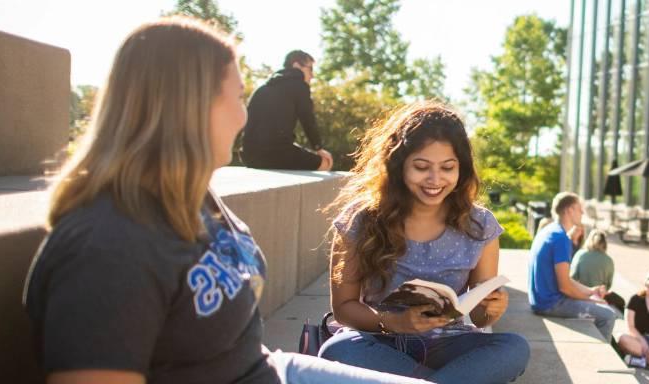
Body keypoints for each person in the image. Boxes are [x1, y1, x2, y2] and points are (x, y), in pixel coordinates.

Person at [24, 17, 422, 384]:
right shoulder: (109, 247)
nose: (245, 116)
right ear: (191, 107)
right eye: (238, 97)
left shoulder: (192, 197)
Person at [317, 102, 529, 384]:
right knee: (335, 350)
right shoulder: (361, 219)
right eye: (421, 167)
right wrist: (393, 323)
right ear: (397, 165)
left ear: (461, 169)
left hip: (449, 345)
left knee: (513, 347)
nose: (435, 179)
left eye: (447, 168)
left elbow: (479, 319)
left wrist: (491, 308)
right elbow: (344, 308)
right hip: (380, 341)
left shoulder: (480, 225)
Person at [528, 192, 618, 340]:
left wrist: (590, 291)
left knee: (602, 308)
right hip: (550, 304)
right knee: (608, 315)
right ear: (569, 210)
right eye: (579, 208)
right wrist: (592, 300)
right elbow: (565, 287)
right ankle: (601, 359)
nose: (582, 212)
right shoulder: (561, 239)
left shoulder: (548, 231)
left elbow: (564, 279)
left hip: (539, 300)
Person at [241, 50, 333, 171]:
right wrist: (318, 148)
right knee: (325, 163)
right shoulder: (299, 86)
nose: (312, 75)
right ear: (296, 66)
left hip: (249, 157)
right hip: (277, 155)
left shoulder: (263, 88)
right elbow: (307, 119)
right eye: (310, 69)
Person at [571, 230, 626, 313]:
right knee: (621, 303)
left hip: (580, 294)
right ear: (605, 243)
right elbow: (608, 284)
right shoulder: (609, 260)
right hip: (600, 296)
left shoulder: (580, 254)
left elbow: (572, 277)